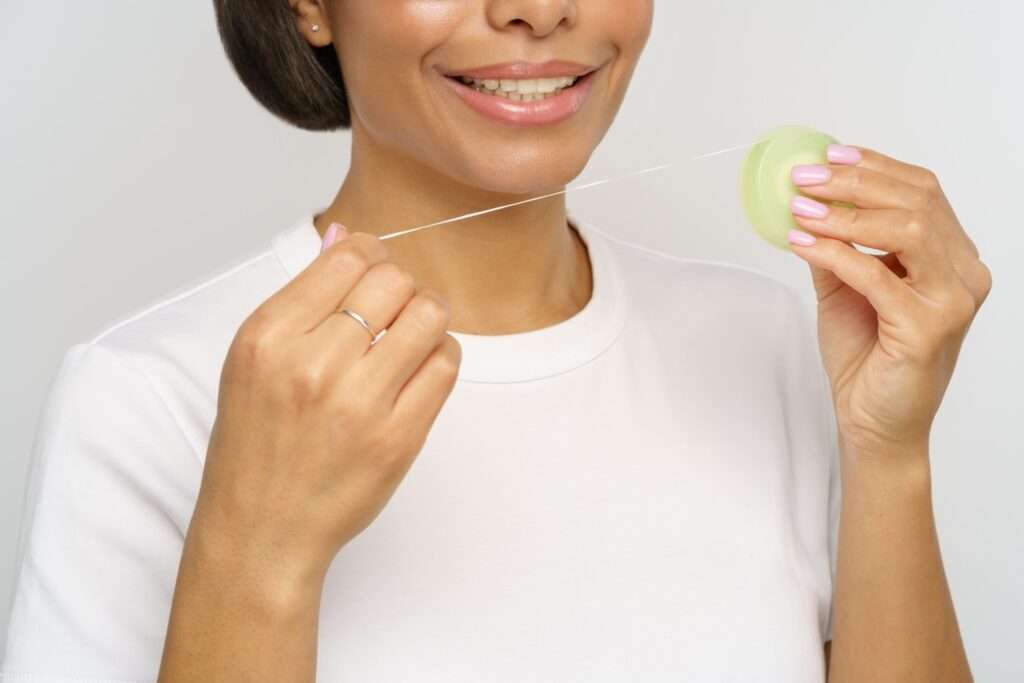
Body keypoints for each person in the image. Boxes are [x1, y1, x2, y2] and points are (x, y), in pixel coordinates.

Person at [2, 2, 984, 681]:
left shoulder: (769, 341)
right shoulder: (146, 397)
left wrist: (888, 453)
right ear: (310, 4)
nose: (536, 7)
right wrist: (257, 558)